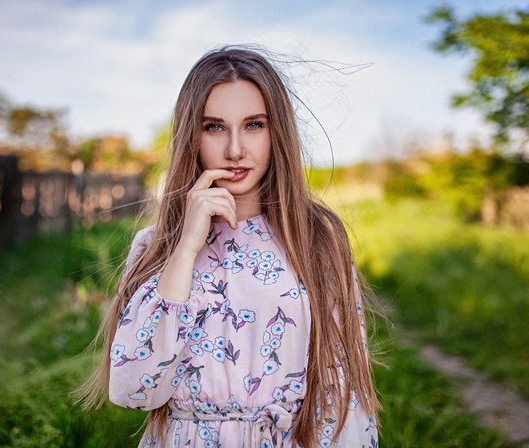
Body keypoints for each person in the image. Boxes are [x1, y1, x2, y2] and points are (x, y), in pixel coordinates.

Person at [78, 45, 380, 447]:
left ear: (278, 133)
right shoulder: (156, 245)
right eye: (215, 127)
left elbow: (343, 390)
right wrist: (185, 247)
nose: (235, 149)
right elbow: (133, 391)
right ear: (193, 136)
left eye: (254, 125)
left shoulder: (319, 237)